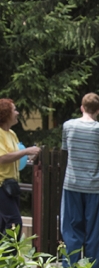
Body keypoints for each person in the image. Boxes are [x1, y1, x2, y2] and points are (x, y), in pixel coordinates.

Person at [60, 93, 99, 268]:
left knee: (71, 228)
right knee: (93, 230)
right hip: (94, 186)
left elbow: (66, 150)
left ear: (81, 107)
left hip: (72, 183)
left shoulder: (68, 126)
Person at [0, 99, 41, 237]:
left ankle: (3, 257)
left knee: (3, 225)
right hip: (1, 186)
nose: (18, 113)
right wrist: (26, 151)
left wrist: (30, 157)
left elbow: (17, 156)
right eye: (14, 110)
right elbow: (2, 158)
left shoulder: (11, 133)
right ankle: (9, 257)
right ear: (6, 114)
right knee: (14, 223)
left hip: (11, 186)